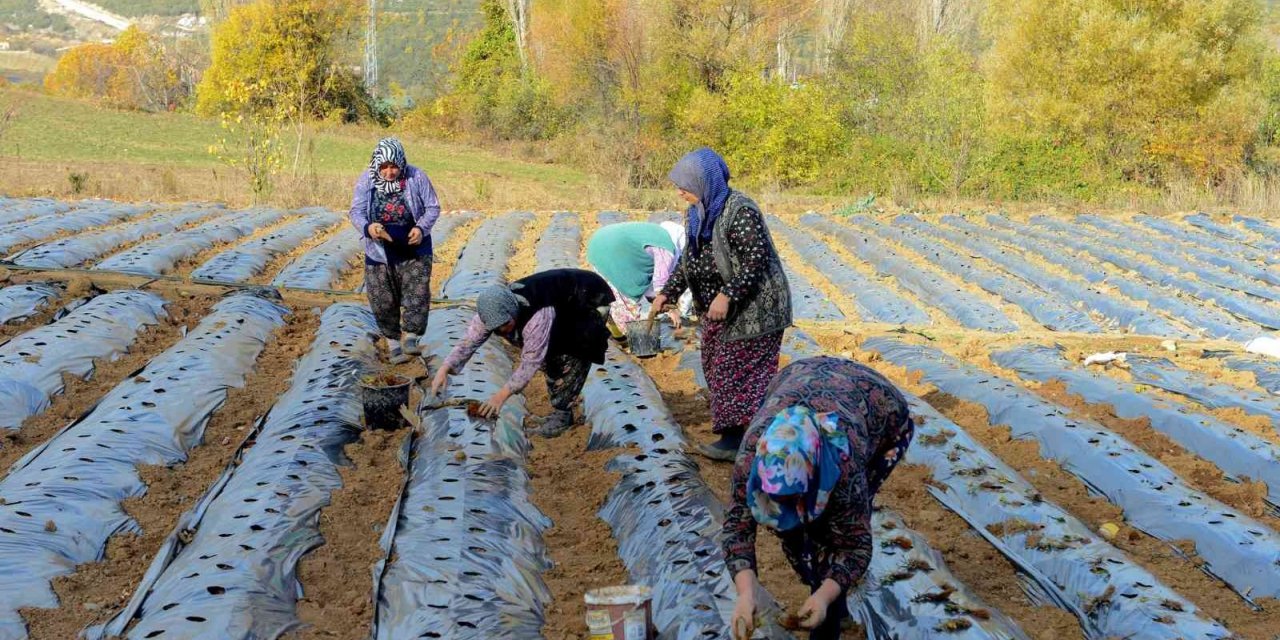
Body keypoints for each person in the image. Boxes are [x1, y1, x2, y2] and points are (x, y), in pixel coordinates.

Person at [723, 357, 914, 639]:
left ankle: (830, 603)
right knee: (796, 534)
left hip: (881, 411)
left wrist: (823, 596)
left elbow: (855, 546)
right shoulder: (752, 456)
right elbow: (737, 530)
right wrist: (745, 594)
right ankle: (825, 587)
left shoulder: (844, 468)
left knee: (831, 532)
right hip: (802, 376)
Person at [652, 147, 792, 461]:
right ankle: (748, 433)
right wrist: (668, 292)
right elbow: (691, 260)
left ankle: (737, 441)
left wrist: (727, 294)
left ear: (705, 182)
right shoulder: (696, 213)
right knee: (714, 364)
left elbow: (755, 260)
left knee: (733, 369)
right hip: (721, 309)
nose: (680, 191)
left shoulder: (739, 210)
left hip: (756, 308)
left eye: (685, 184)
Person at [430, 268, 615, 437]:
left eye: (505, 324)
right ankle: (560, 412)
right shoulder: (488, 314)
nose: (503, 331)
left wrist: (500, 397)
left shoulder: (537, 314)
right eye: (496, 328)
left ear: (513, 311)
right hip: (565, 302)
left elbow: (530, 361)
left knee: (568, 356)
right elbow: (468, 342)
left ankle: (562, 417)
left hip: (588, 298)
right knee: (549, 358)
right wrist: (445, 368)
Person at [349, 138, 441, 364]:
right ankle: (392, 344)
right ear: (377, 165)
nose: (390, 172)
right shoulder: (366, 180)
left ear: (401, 163)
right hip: (379, 248)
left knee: (416, 292)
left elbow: (432, 207)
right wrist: (368, 227)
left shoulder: (416, 176)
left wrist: (421, 228)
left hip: (414, 245)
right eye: (384, 167)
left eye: (394, 167)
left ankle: (411, 338)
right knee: (382, 298)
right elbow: (356, 211)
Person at [585, 220, 689, 336]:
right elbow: (660, 286)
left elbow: (654, 289)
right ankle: (632, 339)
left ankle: (619, 338)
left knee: (610, 298)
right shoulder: (666, 249)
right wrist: (672, 309)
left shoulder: (658, 234)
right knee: (628, 311)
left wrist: (661, 303)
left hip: (599, 244)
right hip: (610, 254)